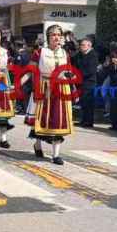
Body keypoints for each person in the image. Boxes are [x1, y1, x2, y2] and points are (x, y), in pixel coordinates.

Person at [24, 25, 74, 165]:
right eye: (53, 35)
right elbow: (29, 71)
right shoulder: (40, 52)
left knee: (58, 120)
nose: (56, 37)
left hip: (61, 88)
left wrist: (70, 78)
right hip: (44, 87)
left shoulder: (65, 53)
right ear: (48, 37)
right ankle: (37, 144)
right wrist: (18, 84)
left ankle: (56, 155)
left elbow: (69, 71)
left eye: (58, 35)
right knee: (41, 118)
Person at [73, 38, 98, 127]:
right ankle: (84, 120)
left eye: (83, 45)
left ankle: (88, 121)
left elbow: (90, 70)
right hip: (81, 81)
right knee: (83, 102)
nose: (81, 47)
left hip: (89, 82)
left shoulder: (93, 55)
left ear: (89, 46)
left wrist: (78, 75)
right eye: (81, 45)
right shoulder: (79, 55)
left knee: (88, 102)